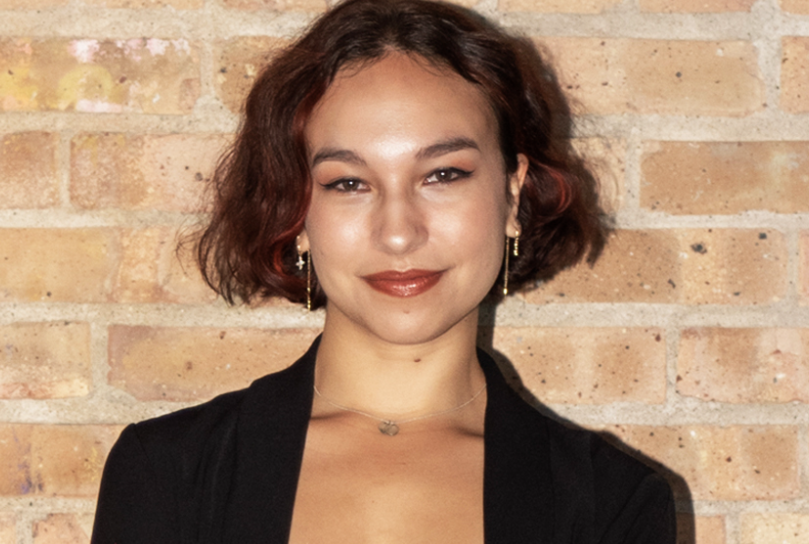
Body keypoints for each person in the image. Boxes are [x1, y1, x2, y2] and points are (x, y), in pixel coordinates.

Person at [91, 0, 676, 542]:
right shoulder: (167, 472)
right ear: (295, 212)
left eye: (443, 175)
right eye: (348, 183)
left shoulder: (612, 504)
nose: (398, 232)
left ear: (513, 195)